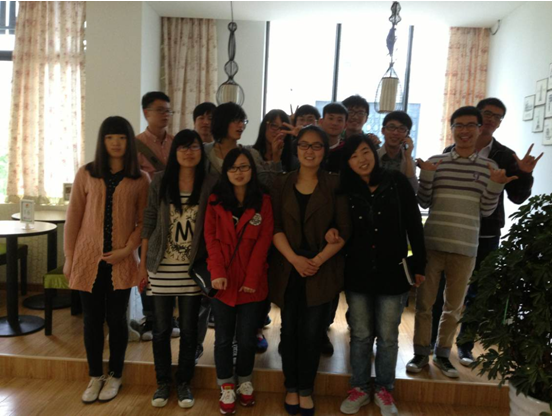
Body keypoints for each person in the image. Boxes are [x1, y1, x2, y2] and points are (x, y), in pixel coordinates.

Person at [406, 106, 515, 378]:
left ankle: (443, 355)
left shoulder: (490, 168)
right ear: (452, 128)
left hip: (466, 248)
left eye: (470, 125)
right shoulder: (437, 161)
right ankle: (420, 353)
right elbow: (424, 201)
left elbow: (487, 210)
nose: (464, 131)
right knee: (424, 304)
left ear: (479, 129)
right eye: (459, 125)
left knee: (454, 307)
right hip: (432, 245)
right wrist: (426, 175)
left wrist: (496, 186)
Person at [434, 98, 541, 366]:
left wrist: (525, 174)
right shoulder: (452, 150)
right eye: (488, 114)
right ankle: (436, 344)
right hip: (453, 233)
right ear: (477, 117)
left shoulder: (505, 156)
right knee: (442, 291)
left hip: (486, 233)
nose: (492, 119)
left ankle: (465, 345)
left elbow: (518, 197)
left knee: (477, 292)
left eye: (498, 117)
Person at [328, 134, 425, 415]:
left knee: (388, 336)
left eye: (365, 151)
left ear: (374, 151)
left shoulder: (396, 182)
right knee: (360, 334)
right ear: (348, 163)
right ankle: (359, 387)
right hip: (357, 272)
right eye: (354, 156)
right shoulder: (345, 189)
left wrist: (419, 265)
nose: (361, 159)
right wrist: (330, 230)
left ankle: (384, 389)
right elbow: (335, 223)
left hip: (392, 272)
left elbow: (413, 223)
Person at [64, 116, 149, 404]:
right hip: (87, 259)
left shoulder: (140, 179)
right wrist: (69, 257)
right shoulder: (86, 173)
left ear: (129, 142)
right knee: (91, 320)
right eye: (110, 137)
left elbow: (143, 223)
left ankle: (115, 374)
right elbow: (74, 218)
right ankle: (95, 375)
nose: (116, 142)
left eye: (122, 137)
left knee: (116, 320)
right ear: (102, 141)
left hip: (122, 261)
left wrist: (127, 250)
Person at [269, 125, 351, 416]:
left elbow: (344, 229)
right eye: (304, 145)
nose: (309, 151)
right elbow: (275, 227)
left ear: (325, 151)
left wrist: (316, 260)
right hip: (289, 267)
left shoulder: (335, 183)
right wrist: (295, 259)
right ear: (296, 148)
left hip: (322, 267)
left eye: (317, 146)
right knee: (289, 330)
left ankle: (306, 389)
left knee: (312, 333)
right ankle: (291, 387)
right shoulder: (281, 182)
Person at [139, 129, 217, 408]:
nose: (188, 152)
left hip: (192, 269)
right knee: (161, 329)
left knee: (189, 329)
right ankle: (162, 382)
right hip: (161, 266)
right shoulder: (160, 181)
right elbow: (149, 221)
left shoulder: (210, 182)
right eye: (183, 147)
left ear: (201, 151)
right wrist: (143, 265)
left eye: (194, 147)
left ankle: (184, 382)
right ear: (175, 152)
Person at [204, 147, 274, 415]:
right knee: (223, 339)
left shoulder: (263, 201)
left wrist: (252, 278)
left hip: (252, 283)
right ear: (226, 172)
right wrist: (217, 272)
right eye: (233, 168)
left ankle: (245, 380)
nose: (239, 172)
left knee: (246, 339)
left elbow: (264, 242)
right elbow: (211, 238)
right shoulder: (215, 200)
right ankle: (226, 384)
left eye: (244, 167)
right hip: (222, 282)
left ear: (252, 170)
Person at [133, 91, 176, 341]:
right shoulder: (136, 145)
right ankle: (150, 317)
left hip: (174, 215)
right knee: (148, 263)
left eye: (168, 111)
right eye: (160, 110)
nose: (165, 115)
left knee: (171, 262)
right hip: (147, 213)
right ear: (146, 113)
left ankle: (170, 317)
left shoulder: (176, 143)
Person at [205, 102, 283, 186]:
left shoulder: (251, 153)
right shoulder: (206, 151)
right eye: (236, 121)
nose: (241, 125)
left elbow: (268, 184)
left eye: (243, 121)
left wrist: (276, 157)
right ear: (222, 121)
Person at [377, 111, 418, 193]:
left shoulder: (408, 160)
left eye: (401, 129)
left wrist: (408, 157)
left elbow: (413, 190)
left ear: (407, 134)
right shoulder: (374, 156)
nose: (395, 132)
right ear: (383, 130)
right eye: (391, 127)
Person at [252, 109, 299, 174]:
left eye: (283, 128)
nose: (278, 132)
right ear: (264, 126)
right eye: (274, 126)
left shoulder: (292, 162)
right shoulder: (252, 154)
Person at [319, 102, 348, 173]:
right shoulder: (313, 147)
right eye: (331, 118)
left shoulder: (347, 151)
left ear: (345, 125)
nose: (334, 123)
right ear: (321, 122)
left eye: (339, 120)